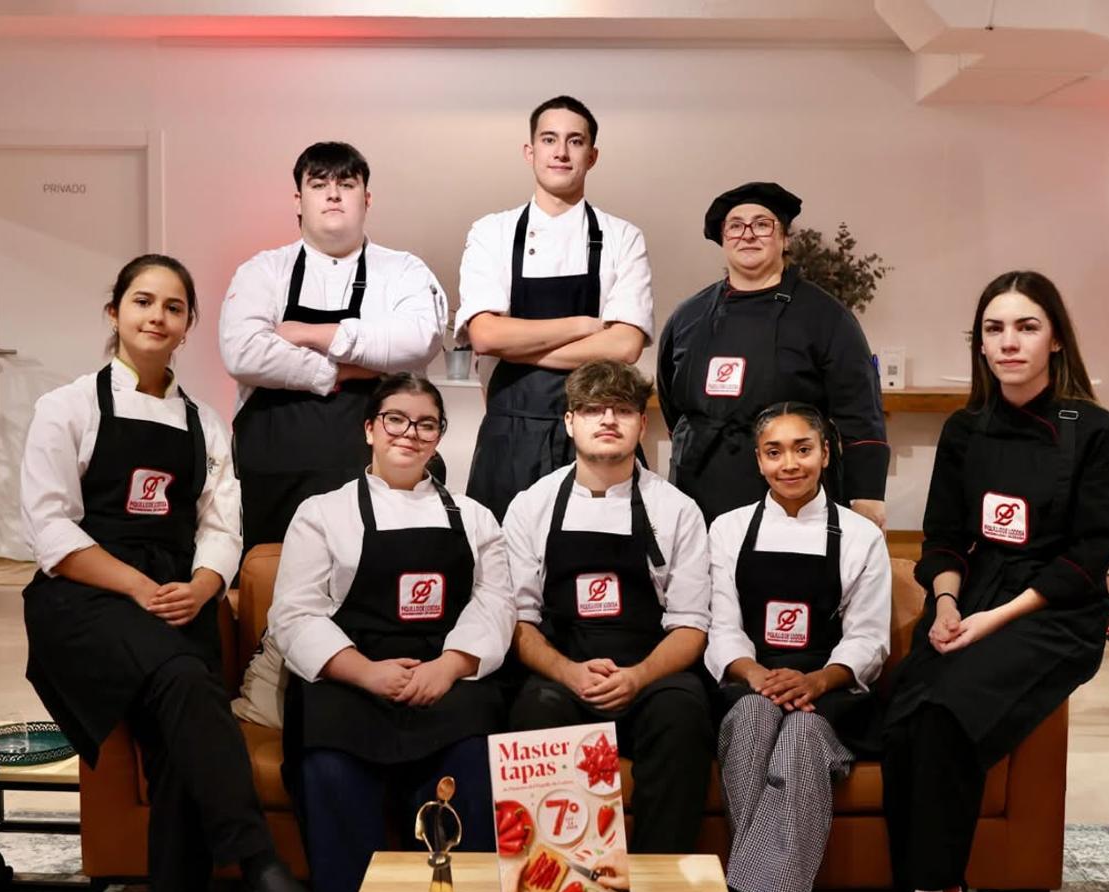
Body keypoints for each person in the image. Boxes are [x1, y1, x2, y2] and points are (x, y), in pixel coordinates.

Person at [20, 255, 317, 892]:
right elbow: (50, 527)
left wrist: (206, 586)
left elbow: (222, 526)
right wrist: (134, 586)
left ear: (188, 326)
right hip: (86, 597)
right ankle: (259, 860)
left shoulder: (205, 423)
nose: (158, 316)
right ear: (115, 312)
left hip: (179, 599)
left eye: (174, 307)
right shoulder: (67, 407)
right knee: (186, 680)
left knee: (185, 750)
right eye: (143, 301)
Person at [850, 271, 1109, 892]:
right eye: (994, 329)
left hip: (1055, 612)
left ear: (1055, 339)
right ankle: (914, 889)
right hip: (973, 598)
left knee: (947, 713)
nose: (1009, 342)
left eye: (1026, 327)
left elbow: (1091, 554)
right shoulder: (965, 428)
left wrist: (995, 619)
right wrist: (946, 603)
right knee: (903, 713)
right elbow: (945, 537)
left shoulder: (1093, 428)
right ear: (980, 343)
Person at [269, 373, 514, 892]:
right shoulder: (321, 512)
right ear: (370, 429)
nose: (410, 433)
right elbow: (295, 613)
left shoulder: (474, 517)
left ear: (439, 435)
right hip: (350, 677)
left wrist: (449, 667)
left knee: (472, 761)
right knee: (329, 766)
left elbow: (495, 606)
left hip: (444, 678)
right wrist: (366, 673)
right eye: (395, 420)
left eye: (426, 424)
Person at [503, 360, 713, 853]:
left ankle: (662, 878)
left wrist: (638, 676)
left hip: (651, 673)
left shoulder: (677, 510)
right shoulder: (531, 506)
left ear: (642, 423)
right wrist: (568, 672)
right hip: (564, 672)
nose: (608, 420)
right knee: (535, 709)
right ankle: (564, 883)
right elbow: (518, 621)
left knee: (683, 714)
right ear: (569, 421)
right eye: (593, 409)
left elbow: (691, 626)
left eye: (622, 409)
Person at [706, 401, 890, 892]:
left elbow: (869, 637)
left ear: (825, 454)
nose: (790, 463)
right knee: (754, 717)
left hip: (830, 692)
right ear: (758, 461)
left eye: (803, 449)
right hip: (751, 682)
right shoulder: (728, 529)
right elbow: (722, 626)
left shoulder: (860, 535)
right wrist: (758, 675)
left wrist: (817, 680)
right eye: (774, 451)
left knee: (802, 737)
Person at [220, 141, 447, 554]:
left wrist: (307, 333)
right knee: (272, 576)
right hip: (275, 475)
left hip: (376, 473)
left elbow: (417, 342)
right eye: (319, 184)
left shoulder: (403, 270)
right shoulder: (263, 270)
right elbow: (243, 353)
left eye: (346, 184)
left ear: (367, 199)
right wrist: (342, 370)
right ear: (298, 200)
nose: (333, 194)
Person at [458, 95, 654, 521]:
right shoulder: (492, 232)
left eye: (574, 141)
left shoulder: (622, 237)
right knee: (502, 551)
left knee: (602, 549)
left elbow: (624, 346)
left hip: (597, 429)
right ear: (530, 152)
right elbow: (485, 336)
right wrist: (582, 325)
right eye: (549, 139)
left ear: (592, 155)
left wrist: (517, 346)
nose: (561, 152)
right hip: (511, 431)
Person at [657, 181, 888, 527]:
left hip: (791, 489)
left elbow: (861, 411)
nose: (748, 234)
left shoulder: (826, 316)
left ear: (785, 238)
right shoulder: (688, 315)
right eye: (736, 226)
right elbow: (672, 405)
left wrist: (867, 495)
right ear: (723, 238)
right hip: (700, 486)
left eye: (762, 225)